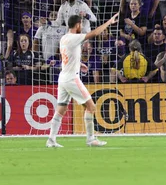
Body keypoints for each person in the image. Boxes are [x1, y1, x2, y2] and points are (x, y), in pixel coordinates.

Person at [46, 13, 119, 148]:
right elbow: (96, 33)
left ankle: (51, 139)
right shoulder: (75, 37)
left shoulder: (64, 38)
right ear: (78, 25)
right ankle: (91, 139)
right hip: (72, 78)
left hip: (63, 77)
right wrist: (109, 22)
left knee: (61, 109)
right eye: (81, 25)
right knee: (91, 107)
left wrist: (79, 63)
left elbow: (67, 56)